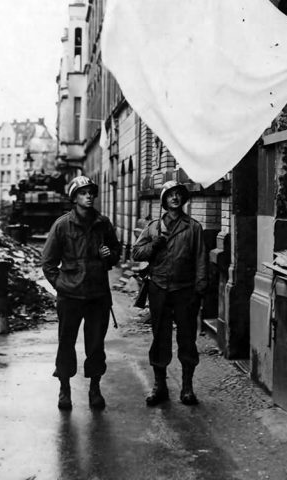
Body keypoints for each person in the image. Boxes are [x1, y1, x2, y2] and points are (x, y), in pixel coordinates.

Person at [41, 176, 121, 411]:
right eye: (83, 192)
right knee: (66, 343)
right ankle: (64, 389)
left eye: (91, 192)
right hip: (70, 297)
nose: (89, 196)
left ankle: (95, 389)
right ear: (74, 197)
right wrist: (62, 285)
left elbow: (116, 252)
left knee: (96, 346)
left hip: (97, 295)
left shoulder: (103, 223)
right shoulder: (62, 225)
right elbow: (48, 263)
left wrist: (110, 255)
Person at [132, 180, 207, 406]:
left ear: (183, 199)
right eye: (170, 194)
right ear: (164, 200)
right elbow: (136, 253)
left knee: (187, 338)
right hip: (159, 289)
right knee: (160, 338)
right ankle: (160, 386)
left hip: (185, 290)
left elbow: (201, 258)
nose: (175, 198)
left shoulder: (193, 227)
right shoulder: (154, 227)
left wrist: (200, 287)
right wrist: (154, 245)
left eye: (178, 194)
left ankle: (187, 387)